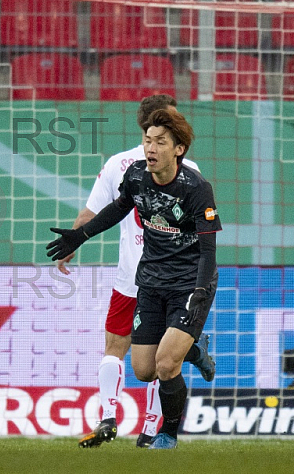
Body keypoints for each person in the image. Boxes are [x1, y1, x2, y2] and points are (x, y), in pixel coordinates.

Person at [48, 108, 221, 450]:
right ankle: (195, 351)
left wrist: (201, 290)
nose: (150, 148)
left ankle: (168, 434)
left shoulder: (197, 188)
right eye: (147, 140)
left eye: (159, 142)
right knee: (144, 370)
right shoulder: (136, 175)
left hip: (188, 284)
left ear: (178, 149)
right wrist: (79, 236)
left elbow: (208, 248)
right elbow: (118, 208)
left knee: (166, 363)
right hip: (150, 281)